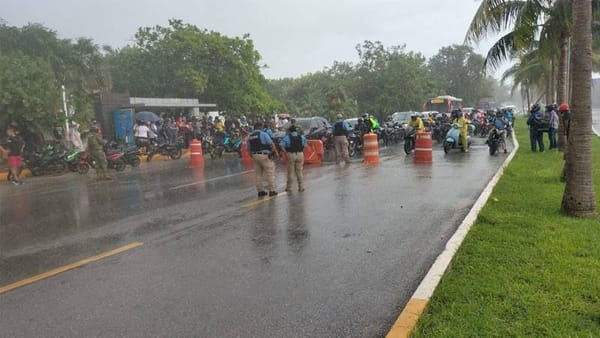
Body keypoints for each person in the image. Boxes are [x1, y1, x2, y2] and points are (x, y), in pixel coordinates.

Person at [247, 121, 280, 197]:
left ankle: (260, 191)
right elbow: (271, 144)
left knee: (258, 174)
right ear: (260, 127)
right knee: (270, 173)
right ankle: (272, 191)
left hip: (255, 156)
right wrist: (276, 153)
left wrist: (252, 156)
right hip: (265, 156)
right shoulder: (263, 134)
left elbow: (248, 149)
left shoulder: (250, 136)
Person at [279, 125, 307, 192]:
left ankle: (289, 187)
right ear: (296, 130)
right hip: (300, 154)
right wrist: (301, 151)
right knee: (299, 171)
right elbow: (305, 146)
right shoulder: (302, 137)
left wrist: (285, 152)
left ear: (289, 131)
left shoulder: (287, 137)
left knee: (290, 172)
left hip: (290, 154)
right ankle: (301, 187)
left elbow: (281, 145)